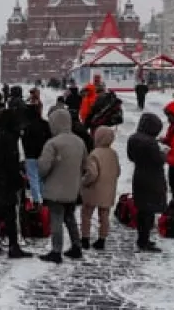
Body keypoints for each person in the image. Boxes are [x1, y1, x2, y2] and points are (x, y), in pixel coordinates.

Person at [35, 107, 86, 263]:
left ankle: (56, 251)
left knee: (56, 219)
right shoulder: (79, 141)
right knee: (69, 217)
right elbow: (85, 164)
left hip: (55, 189)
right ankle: (76, 246)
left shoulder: (53, 143)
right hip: (72, 188)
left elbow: (44, 167)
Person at [0, 109, 31, 259]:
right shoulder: (10, 138)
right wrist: (18, 179)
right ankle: (13, 246)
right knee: (10, 215)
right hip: (6, 181)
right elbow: (12, 162)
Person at [127, 114, 166, 253]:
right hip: (152, 178)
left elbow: (131, 157)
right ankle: (144, 240)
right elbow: (158, 160)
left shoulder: (133, 138)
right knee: (149, 210)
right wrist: (164, 154)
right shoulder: (151, 143)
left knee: (142, 208)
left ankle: (142, 238)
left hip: (139, 174)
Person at [80, 126, 120, 250]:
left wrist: (83, 182)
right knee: (104, 216)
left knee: (86, 214)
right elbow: (118, 171)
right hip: (108, 190)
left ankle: (85, 239)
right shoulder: (113, 153)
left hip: (94, 189)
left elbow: (92, 173)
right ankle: (102, 239)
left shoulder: (94, 154)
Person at [20, 104, 52, 206]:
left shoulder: (26, 127)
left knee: (33, 178)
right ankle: (45, 197)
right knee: (42, 177)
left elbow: (24, 141)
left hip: (30, 155)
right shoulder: (45, 124)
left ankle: (36, 200)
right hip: (43, 154)